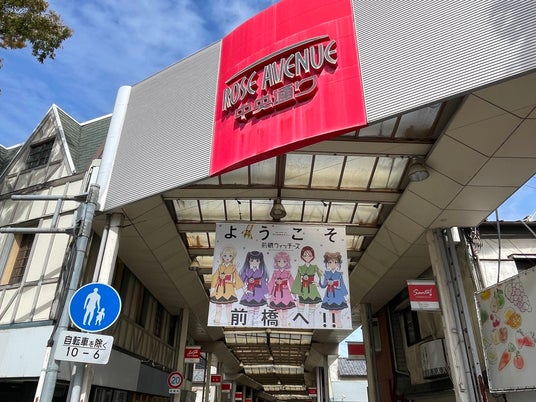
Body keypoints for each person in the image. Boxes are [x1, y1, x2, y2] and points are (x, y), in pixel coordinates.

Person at [210, 246, 243, 325]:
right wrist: (214, 285)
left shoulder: (233, 267)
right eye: (225, 255)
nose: (227, 257)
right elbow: (215, 276)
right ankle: (217, 321)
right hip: (220, 288)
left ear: (233, 257)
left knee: (229, 307)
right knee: (218, 307)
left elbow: (236, 277)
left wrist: (230, 280)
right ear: (222, 256)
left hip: (229, 288)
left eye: (230, 256)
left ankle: (229, 322)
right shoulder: (220, 266)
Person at [291, 246, 323, 325]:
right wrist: (296, 293)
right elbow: (297, 279)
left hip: (312, 288)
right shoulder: (300, 268)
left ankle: (311, 323)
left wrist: (319, 284)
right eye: (305, 255)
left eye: (310, 255)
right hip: (303, 289)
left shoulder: (314, 267)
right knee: (301, 306)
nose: (307, 257)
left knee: (312, 307)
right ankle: (299, 324)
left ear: (313, 256)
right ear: (302, 256)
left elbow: (322, 276)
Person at [239, 250, 269, 325]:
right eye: (252, 260)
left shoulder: (261, 272)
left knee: (256, 308)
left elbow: (263, 283)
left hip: (258, 291)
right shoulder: (247, 271)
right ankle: (249, 321)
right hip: (249, 291)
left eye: (257, 261)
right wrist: (244, 290)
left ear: (260, 262)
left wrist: (266, 294)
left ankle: (255, 321)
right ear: (249, 261)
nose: (254, 262)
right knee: (250, 309)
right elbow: (241, 281)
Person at [319, 251, 348, 327]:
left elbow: (342, 285)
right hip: (330, 294)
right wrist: (319, 282)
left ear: (338, 263)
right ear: (327, 264)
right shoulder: (327, 273)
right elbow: (324, 285)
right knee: (331, 310)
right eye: (330, 262)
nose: (333, 264)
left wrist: (346, 297)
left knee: (338, 310)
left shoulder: (339, 274)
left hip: (338, 293)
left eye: (335, 262)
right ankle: (332, 323)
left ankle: (338, 322)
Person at [268, 251, 295, 326]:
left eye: (284, 261)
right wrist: (269, 292)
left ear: (287, 262)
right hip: (276, 292)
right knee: (277, 308)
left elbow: (292, 282)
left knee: (285, 307)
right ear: (276, 262)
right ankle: (280, 321)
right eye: (279, 261)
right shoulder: (275, 273)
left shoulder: (288, 273)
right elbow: (271, 282)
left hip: (285, 291)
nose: (282, 263)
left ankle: (284, 321)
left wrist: (295, 292)